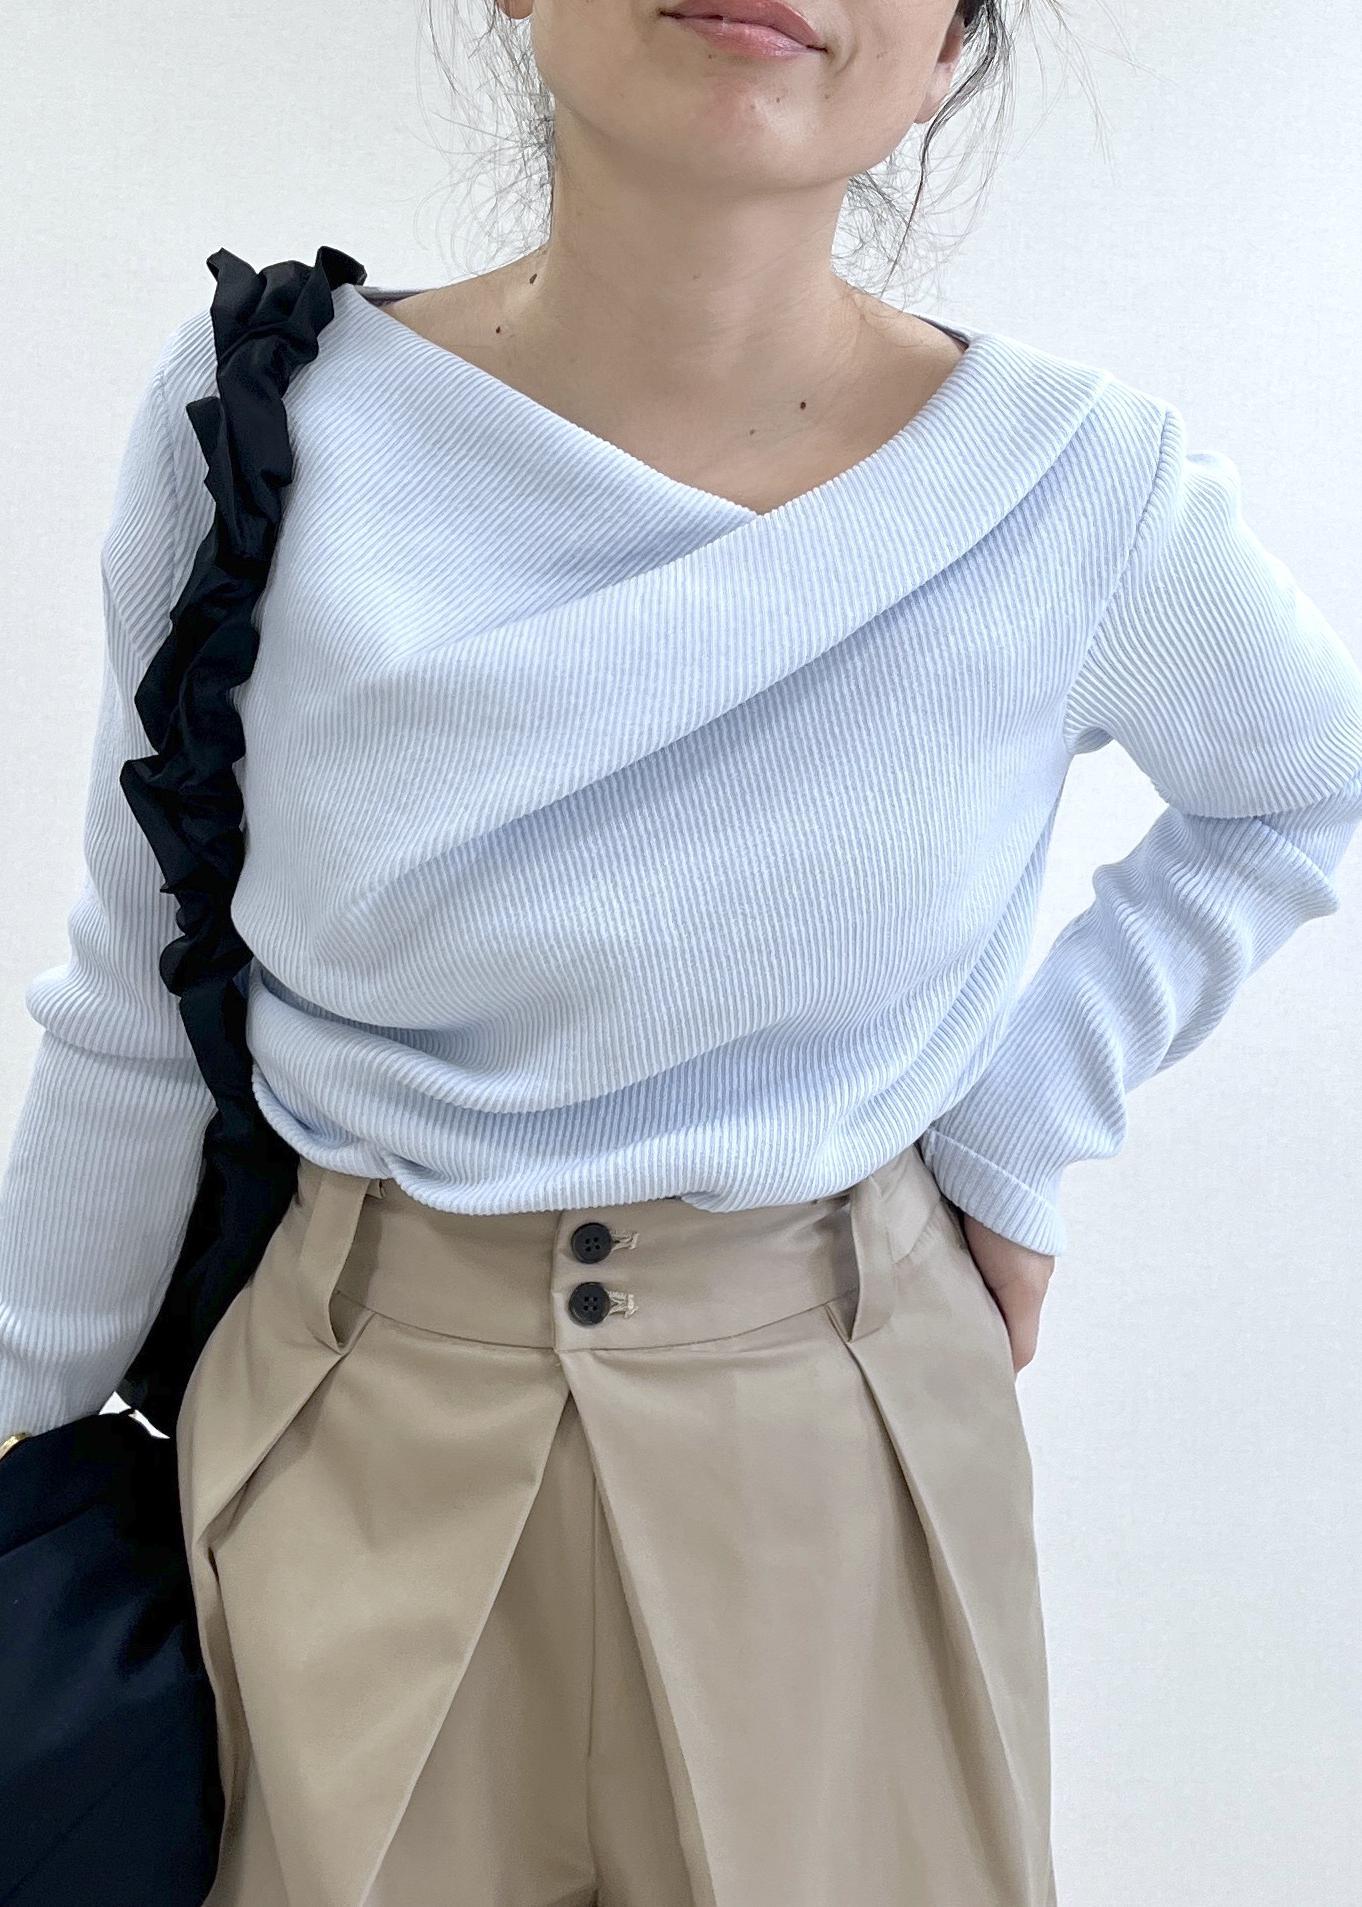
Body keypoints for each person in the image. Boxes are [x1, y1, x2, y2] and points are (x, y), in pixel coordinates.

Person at [4, 1, 1362, 1901]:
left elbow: (1297, 787)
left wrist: (1018, 1133)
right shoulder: (268, 419)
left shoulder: (1075, 486)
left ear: (948, 45)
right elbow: (137, 990)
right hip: (342, 1445)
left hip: (838, 1443)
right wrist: (24, 1425)